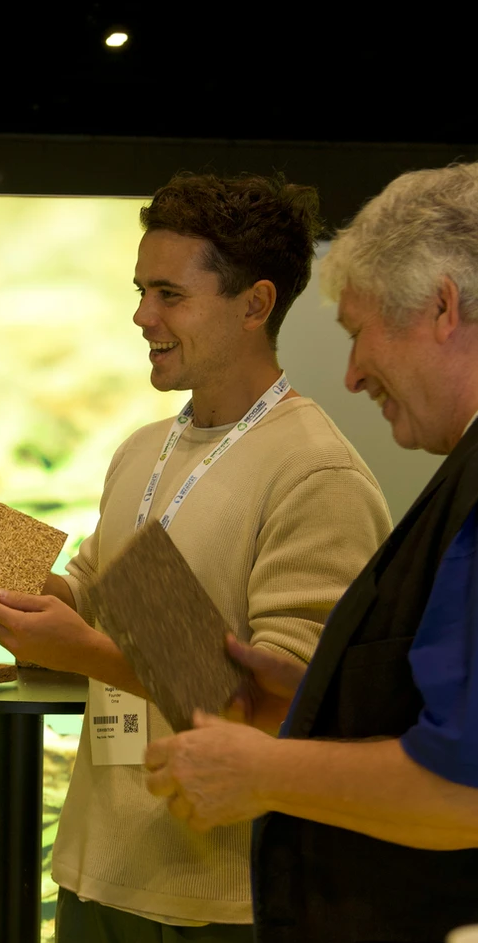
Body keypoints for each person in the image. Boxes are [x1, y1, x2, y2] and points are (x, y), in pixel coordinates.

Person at [0, 174, 392, 940]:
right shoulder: (141, 450)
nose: (140, 315)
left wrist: (86, 648)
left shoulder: (314, 471)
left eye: (167, 294)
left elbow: (285, 709)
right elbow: (93, 599)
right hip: (98, 868)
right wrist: (5, 573)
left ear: (254, 305)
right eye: (138, 290)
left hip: (223, 901)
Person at [143, 162, 478, 941]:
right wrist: (314, 704)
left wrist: (260, 770)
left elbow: (464, 785)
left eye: (359, 332)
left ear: (441, 306)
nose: (353, 373)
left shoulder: (321, 467)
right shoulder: (140, 451)